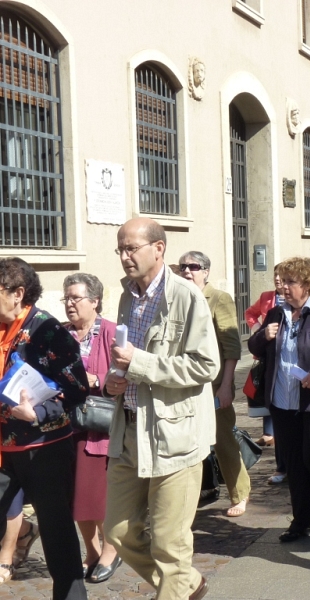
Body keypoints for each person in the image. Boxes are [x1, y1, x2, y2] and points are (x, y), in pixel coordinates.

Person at [104, 217, 220, 600]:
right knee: (118, 533)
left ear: (158, 249)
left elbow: (206, 366)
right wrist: (116, 378)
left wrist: (138, 363)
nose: (124, 256)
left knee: (170, 546)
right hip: (129, 431)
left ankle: (175, 587)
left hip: (176, 436)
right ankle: (186, 586)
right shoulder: (127, 296)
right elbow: (126, 358)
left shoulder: (186, 297)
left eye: (131, 248)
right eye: (120, 248)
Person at [0, 258, 89, 599]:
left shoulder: (46, 331)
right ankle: (22, 534)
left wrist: (35, 412)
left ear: (17, 293)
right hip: (3, 450)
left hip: (43, 448)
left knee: (57, 534)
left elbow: (77, 390)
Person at [248, 257, 310, 543]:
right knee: (293, 462)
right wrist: (263, 336)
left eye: (291, 282)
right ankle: (301, 519)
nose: (284, 288)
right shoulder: (275, 315)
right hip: (281, 400)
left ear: (308, 284)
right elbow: (255, 349)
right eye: (282, 282)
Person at [179, 250, 249, 517]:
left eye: (194, 266)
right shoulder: (177, 298)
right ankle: (195, 493)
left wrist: (226, 385)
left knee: (223, 439)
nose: (187, 271)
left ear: (206, 271)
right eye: (183, 266)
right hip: (185, 382)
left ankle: (239, 493)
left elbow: (231, 347)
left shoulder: (219, 299)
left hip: (214, 384)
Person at [62, 273, 121, 583]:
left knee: (99, 495)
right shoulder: (59, 334)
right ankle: (92, 549)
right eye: (66, 298)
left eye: (76, 298)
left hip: (100, 427)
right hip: (63, 427)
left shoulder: (111, 332)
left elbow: (126, 374)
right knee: (76, 495)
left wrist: (98, 379)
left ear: (95, 301)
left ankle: (112, 548)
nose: (70, 303)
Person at [244, 265, 286, 483]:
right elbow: (250, 314)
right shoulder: (267, 299)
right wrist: (259, 328)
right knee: (269, 397)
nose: (278, 281)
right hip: (267, 357)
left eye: (283, 277)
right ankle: (270, 436)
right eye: (276, 276)